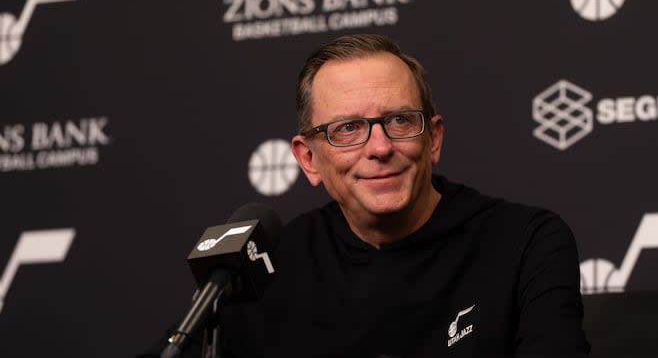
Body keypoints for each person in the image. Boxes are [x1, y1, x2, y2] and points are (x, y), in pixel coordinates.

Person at [142, 34, 589, 357]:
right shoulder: (266, 265)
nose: (379, 148)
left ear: (432, 140)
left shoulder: (525, 242)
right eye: (347, 128)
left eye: (399, 120)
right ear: (309, 159)